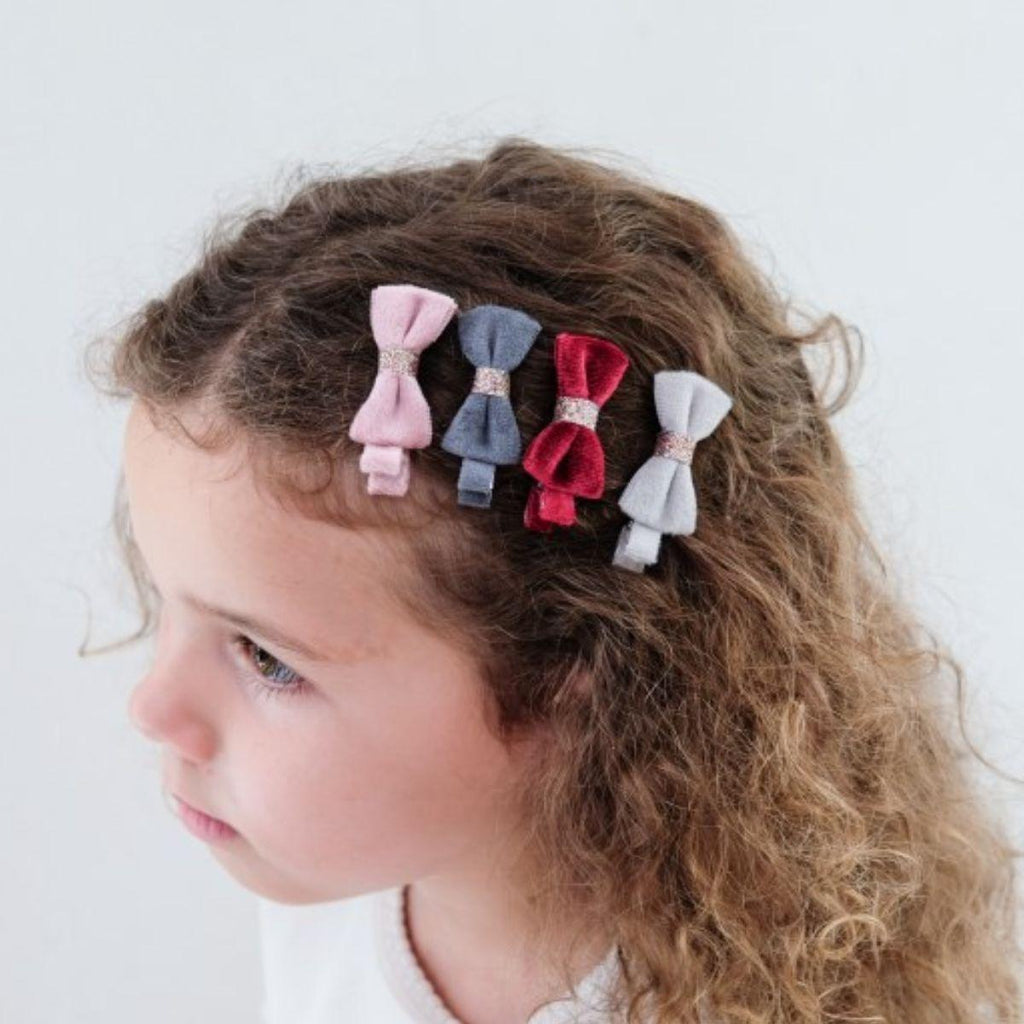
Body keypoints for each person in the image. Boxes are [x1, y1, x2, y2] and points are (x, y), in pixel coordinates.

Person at [83, 137, 1022, 1023]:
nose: (151, 706)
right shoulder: (326, 893)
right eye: (168, 602)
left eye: (264, 657)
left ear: (573, 673)